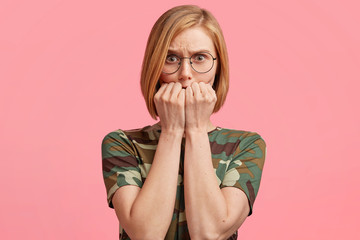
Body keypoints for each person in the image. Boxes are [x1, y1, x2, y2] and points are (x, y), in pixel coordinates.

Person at [101, 5, 266, 240]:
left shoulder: (245, 145)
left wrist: (196, 129)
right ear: (155, 68)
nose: (185, 73)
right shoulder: (122, 144)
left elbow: (209, 234)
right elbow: (145, 235)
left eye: (200, 58)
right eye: (171, 58)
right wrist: (172, 130)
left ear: (218, 68)